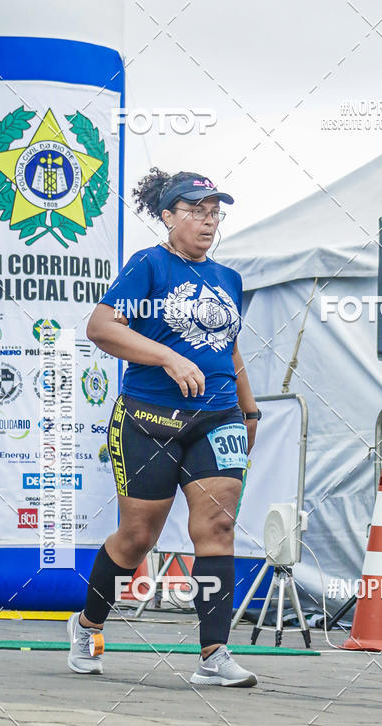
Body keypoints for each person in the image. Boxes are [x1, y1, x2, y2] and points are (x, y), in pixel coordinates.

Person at [67, 168, 261, 687]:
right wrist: (169, 358)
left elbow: (229, 347)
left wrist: (250, 411)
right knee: (137, 538)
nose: (208, 221)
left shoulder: (228, 279)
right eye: (196, 211)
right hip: (147, 421)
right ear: (167, 215)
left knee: (217, 529)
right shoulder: (148, 266)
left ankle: (213, 654)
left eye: (215, 212)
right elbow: (101, 327)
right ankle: (88, 626)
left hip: (216, 419)